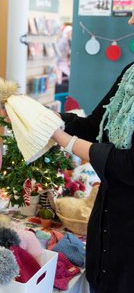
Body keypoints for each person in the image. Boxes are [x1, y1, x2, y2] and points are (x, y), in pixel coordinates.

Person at [51, 15, 134, 293]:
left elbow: (128, 165)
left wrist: (66, 141)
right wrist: (52, 120)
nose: (131, 21)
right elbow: (95, 124)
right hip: (107, 224)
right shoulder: (130, 74)